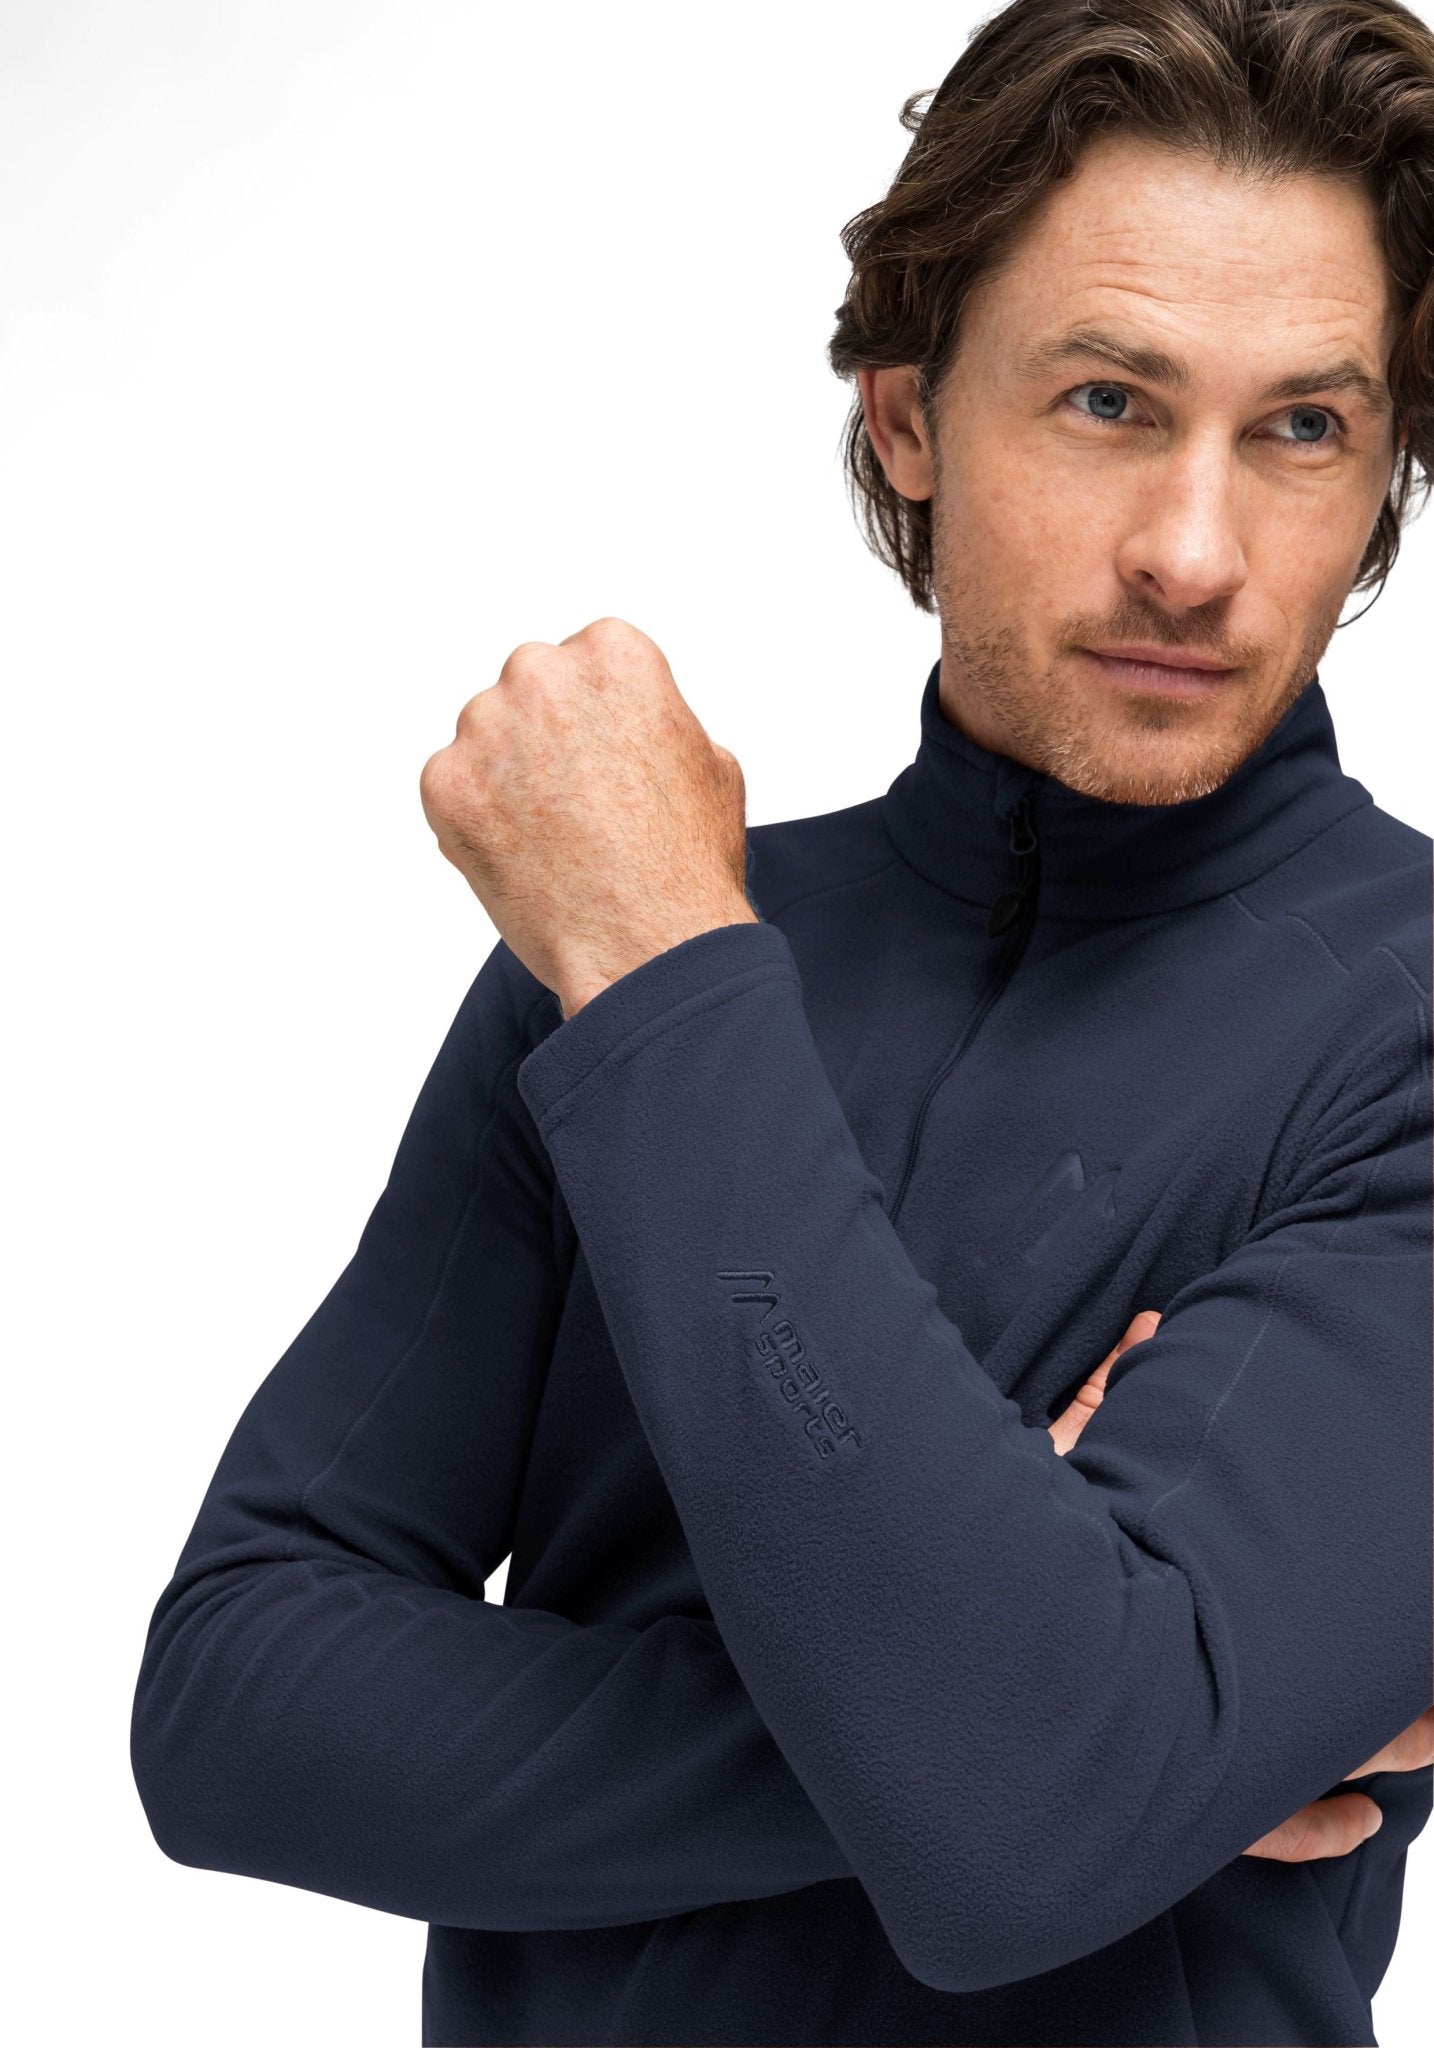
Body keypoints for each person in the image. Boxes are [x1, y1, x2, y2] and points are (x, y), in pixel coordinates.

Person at [130, 1, 1434, 2042]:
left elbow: (1029, 1810)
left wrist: (1065, 1757)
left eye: (1301, 430)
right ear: (906, 419)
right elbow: (230, 1704)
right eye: (1107, 400)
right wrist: (1069, 1729)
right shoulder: (645, 949)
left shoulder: (1403, 1024)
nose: (1195, 553)